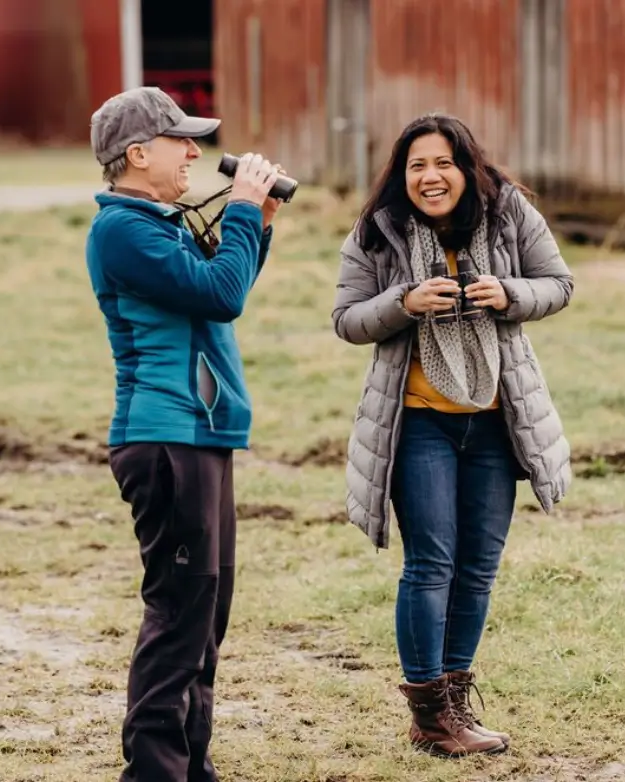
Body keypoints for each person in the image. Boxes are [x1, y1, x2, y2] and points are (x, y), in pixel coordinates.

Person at [331, 113, 574, 757]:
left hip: (496, 421)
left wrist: (508, 293)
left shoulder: (509, 214)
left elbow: (559, 284)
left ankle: (456, 704)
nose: (430, 177)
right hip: (418, 423)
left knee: (478, 568)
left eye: (443, 164)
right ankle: (431, 715)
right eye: (417, 166)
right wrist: (402, 305)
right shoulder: (377, 231)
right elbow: (346, 319)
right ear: (401, 174)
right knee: (431, 563)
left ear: (466, 168)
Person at [83, 86, 285, 782]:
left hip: (200, 436)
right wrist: (239, 213)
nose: (196, 151)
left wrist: (254, 225)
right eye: (181, 140)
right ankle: (154, 773)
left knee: (205, 614)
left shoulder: (158, 223)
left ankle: (191, 766)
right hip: (165, 436)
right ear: (138, 154)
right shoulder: (123, 230)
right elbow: (220, 294)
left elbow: (220, 297)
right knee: (178, 614)